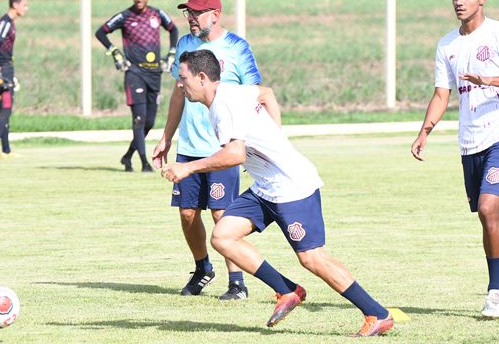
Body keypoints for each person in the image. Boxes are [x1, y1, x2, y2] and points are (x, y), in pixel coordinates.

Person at [161, 49, 394, 337]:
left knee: (312, 258)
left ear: (202, 77)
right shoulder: (231, 92)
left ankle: (377, 313)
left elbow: (235, 154)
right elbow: (267, 94)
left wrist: (188, 168)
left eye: (183, 78)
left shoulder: (222, 106)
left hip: (291, 187)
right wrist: (273, 142)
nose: (180, 84)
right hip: (265, 188)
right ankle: (287, 291)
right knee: (223, 236)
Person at [411, 0, 499, 318]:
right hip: (471, 141)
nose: (458, 2)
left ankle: (494, 292)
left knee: (487, 207)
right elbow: (441, 94)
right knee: (497, 217)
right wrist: (425, 131)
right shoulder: (447, 45)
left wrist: (489, 80)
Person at [152, 0, 261, 300]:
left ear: (216, 14)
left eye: (197, 12)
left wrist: (251, 145)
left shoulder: (237, 47)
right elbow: (177, 92)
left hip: (222, 146)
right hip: (189, 146)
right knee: (187, 213)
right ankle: (203, 269)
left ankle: (237, 281)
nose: (190, 18)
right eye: (188, 12)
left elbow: (255, 96)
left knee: (221, 214)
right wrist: (166, 136)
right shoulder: (186, 44)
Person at [96, 0, 178, 172]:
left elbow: (173, 29)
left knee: (149, 122)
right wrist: (115, 52)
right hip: (134, 73)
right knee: (139, 120)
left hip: (154, 72)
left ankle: (127, 156)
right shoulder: (125, 16)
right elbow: (101, 32)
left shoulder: (157, 14)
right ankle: (144, 163)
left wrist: (171, 53)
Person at [0, 0, 29, 160]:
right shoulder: (5, 22)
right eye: (24, 5)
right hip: (2, 69)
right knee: (5, 110)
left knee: (7, 109)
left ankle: (6, 150)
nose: (26, 8)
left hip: (7, 68)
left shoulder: (10, 22)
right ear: (15, 5)